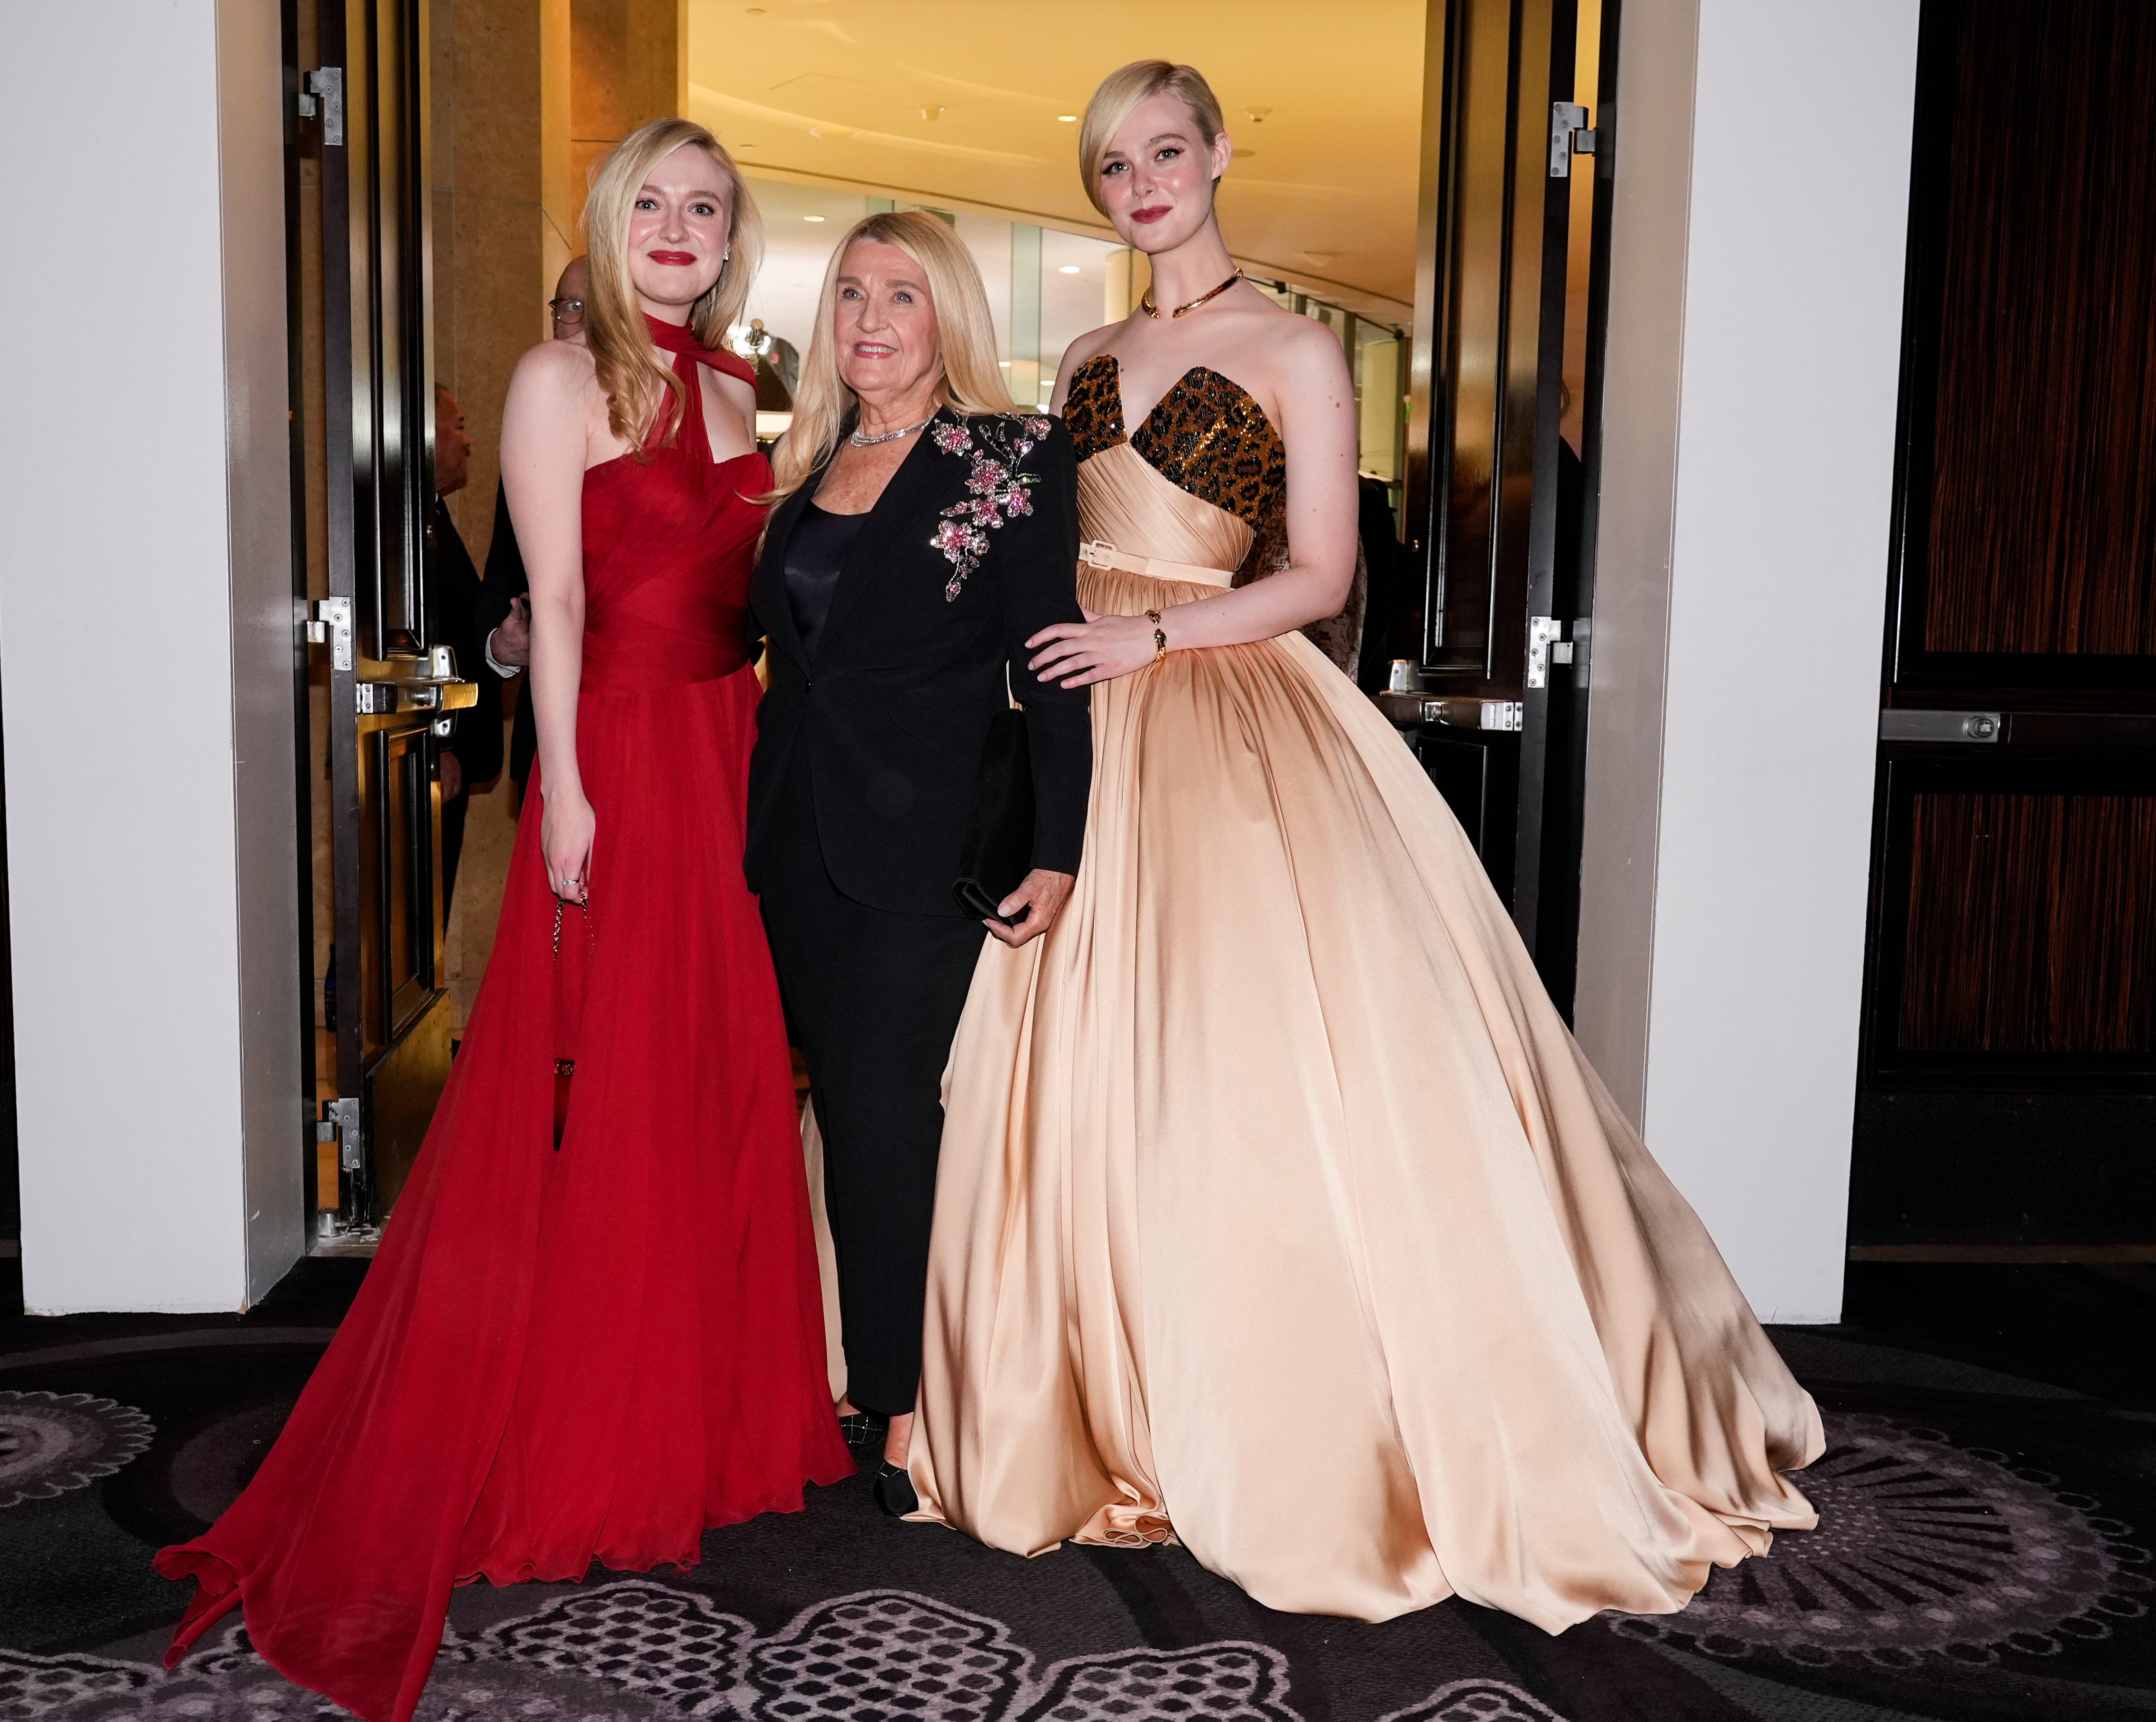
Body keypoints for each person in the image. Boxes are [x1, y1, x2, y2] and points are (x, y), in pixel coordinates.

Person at [908, 60, 1823, 1633]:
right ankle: (1099, 1404)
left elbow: (1323, 574)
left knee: (1248, 1071)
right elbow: (1046, 551)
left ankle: (1307, 1431)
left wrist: (1160, 638)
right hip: (1079, 721)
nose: (1139, 184)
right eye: (1109, 163)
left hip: (1223, 711)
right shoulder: (1083, 352)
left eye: (1164, 152)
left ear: (1213, 157)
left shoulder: (1296, 346)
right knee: (1076, 1065)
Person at [154, 119, 850, 1722]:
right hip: (619, 757)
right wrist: (569, 792)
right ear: (610, 224)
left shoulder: (744, 389)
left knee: (711, 1082)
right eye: (652, 205)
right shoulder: (558, 380)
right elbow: (550, 605)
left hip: (726, 753)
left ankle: (704, 1416)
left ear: (729, 237)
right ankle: (585, 1426)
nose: (677, 229)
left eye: (706, 209)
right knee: (597, 1089)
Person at [747, 211, 1091, 1515]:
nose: (870, 321)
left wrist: (1058, 844)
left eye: (901, 295)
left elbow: (1051, 661)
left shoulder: (1005, 455)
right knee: (842, 1101)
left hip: (929, 837)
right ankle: (879, 1359)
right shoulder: (809, 456)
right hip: (791, 836)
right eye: (849, 295)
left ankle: (905, 1395)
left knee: (886, 1106)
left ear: (948, 313)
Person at [472, 251, 595, 772]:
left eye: (600, 308)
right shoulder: (534, 436)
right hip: (548, 741)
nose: (582, 323)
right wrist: (503, 645)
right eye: (569, 306)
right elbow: (501, 582)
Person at [426, 384, 502, 915]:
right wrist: (438, 744)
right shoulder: (401, 523)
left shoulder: (432, 517)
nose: (468, 439)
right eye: (456, 426)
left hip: (442, 753)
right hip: (427, 754)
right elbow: (416, 638)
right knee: (411, 905)